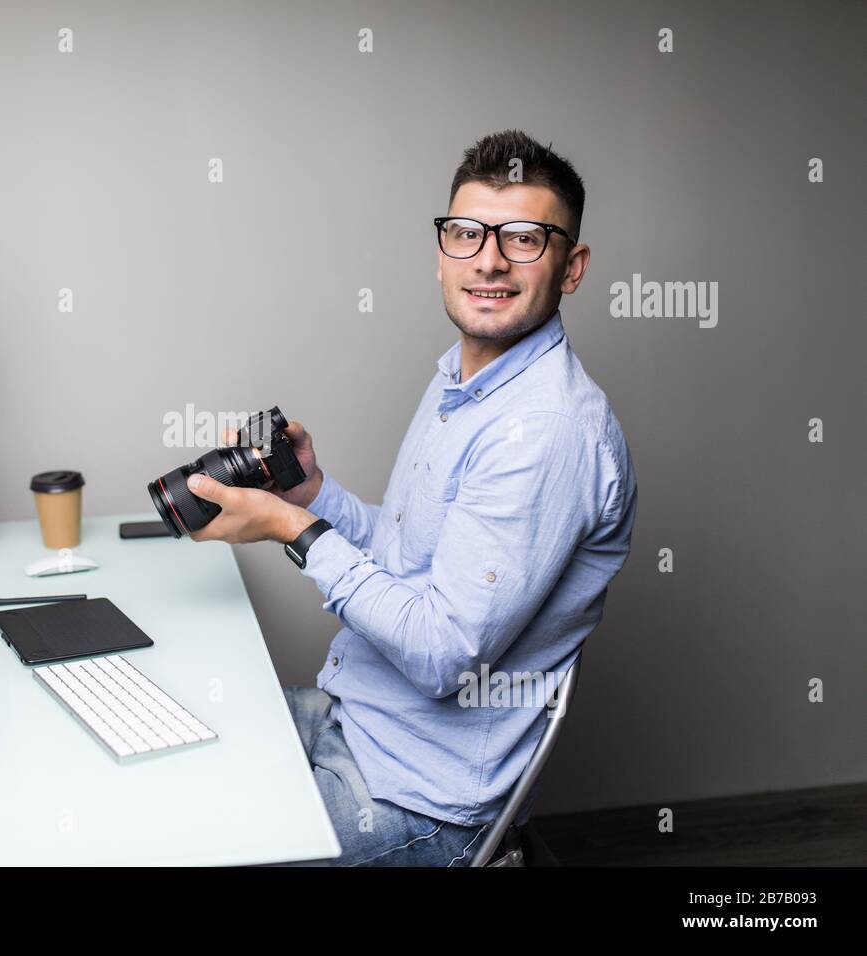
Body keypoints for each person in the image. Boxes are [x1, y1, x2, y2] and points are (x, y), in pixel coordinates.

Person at [186, 130, 637, 866]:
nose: (489, 259)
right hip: (353, 715)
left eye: (524, 238)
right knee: (158, 774)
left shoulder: (546, 432)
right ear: (442, 253)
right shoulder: (464, 381)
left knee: (186, 851)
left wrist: (293, 529)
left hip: (410, 796)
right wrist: (313, 494)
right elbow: (411, 561)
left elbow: (440, 653)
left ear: (573, 266)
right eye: (467, 233)